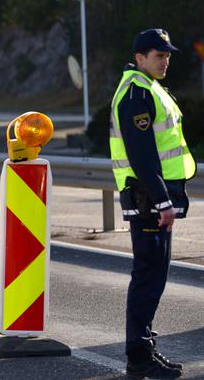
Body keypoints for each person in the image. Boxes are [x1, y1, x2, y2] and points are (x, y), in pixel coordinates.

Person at [109, 29, 196, 379]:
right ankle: (139, 357)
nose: (165, 61)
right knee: (148, 277)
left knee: (153, 276)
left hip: (154, 200)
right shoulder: (136, 93)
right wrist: (162, 201)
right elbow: (142, 156)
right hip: (149, 201)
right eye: (159, 55)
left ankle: (143, 350)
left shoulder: (149, 88)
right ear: (140, 57)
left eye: (167, 55)